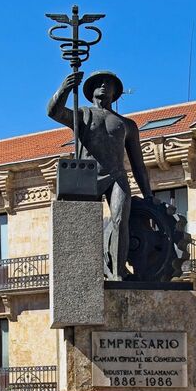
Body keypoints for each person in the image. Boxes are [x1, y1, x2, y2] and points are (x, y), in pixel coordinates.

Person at [47, 70, 153, 280]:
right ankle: (86, 272)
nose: (104, 85)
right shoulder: (83, 114)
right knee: (86, 226)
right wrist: (65, 88)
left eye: (109, 83)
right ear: (91, 90)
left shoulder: (127, 125)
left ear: (115, 92)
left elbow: (138, 165)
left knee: (121, 219)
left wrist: (148, 194)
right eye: (99, 82)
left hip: (117, 177)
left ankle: (119, 270)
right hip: (88, 176)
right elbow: (54, 112)